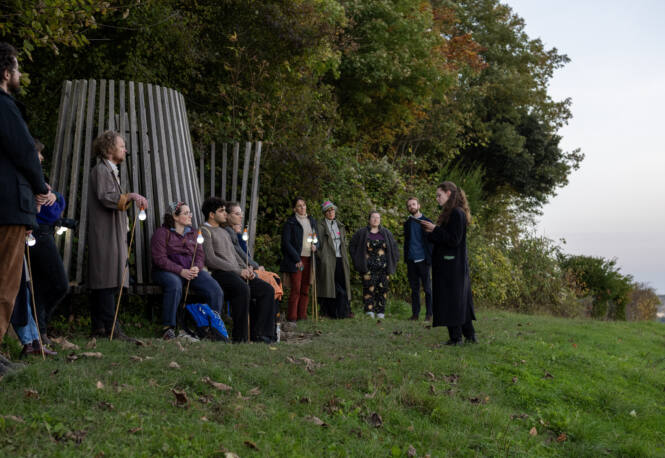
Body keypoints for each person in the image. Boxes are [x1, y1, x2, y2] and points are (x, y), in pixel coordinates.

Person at [0, 42, 50, 374]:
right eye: (17, 69)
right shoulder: (4, 106)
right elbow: (24, 152)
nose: (19, 75)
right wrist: (41, 186)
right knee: (5, 282)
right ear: (5, 73)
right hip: (7, 206)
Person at [87, 130, 147, 340]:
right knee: (107, 278)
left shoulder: (109, 170)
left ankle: (101, 328)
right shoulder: (101, 170)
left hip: (111, 230)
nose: (125, 150)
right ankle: (111, 328)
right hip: (105, 232)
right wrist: (129, 195)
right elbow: (106, 197)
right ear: (109, 149)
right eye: (122, 146)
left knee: (109, 276)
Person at [200, 197, 275, 343]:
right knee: (242, 289)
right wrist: (238, 271)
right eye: (221, 211)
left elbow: (235, 255)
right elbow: (211, 260)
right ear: (211, 214)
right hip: (219, 273)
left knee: (266, 290)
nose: (225, 214)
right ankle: (240, 337)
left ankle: (262, 335)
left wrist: (247, 268)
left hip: (235, 271)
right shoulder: (205, 231)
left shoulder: (224, 231)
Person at [151, 201, 224, 340]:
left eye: (190, 212)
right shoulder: (161, 233)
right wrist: (180, 271)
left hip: (190, 270)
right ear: (175, 216)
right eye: (186, 213)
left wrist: (197, 266)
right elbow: (159, 259)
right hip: (167, 270)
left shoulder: (194, 233)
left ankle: (213, 330)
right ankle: (168, 328)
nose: (190, 215)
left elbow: (200, 254)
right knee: (174, 285)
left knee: (215, 289)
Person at [419, 182, 477, 345]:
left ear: (449, 194)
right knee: (459, 300)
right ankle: (470, 336)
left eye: (439, 195)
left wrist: (435, 229)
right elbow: (444, 236)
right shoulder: (449, 213)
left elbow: (454, 240)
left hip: (453, 266)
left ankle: (456, 337)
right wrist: (430, 231)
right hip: (448, 265)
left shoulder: (457, 213)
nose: (437, 198)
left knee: (454, 300)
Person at [28, 141, 69, 345]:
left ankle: (39, 332)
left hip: (36, 235)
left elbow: (57, 202)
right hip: (39, 235)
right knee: (59, 284)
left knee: (39, 284)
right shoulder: (32, 179)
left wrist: (56, 196)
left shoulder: (37, 179)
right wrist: (56, 199)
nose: (42, 157)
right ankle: (39, 325)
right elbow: (52, 212)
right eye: (38, 153)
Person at [349, 211, 399, 319]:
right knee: (368, 289)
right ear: (369, 220)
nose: (376, 219)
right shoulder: (362, 233)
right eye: (373, 217)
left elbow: (394, 248)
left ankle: (380, 312)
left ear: (380, 220)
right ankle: (369, 311)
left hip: (383, 268)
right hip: (367, 268)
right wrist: (357, 260)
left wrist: (393, 261)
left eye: (378, 217)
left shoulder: (386, 233)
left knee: (383, 290)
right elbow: (352, 246)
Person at [280, 197, 318, 322]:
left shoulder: (311, 221)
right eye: (299, 206)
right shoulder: (290, 223)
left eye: (304, 205)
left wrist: (316, 245)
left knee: (305, 289)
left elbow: (317, 238)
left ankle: (302, 316)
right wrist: (296, 258)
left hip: (308, 259)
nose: (302, 208)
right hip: (297, 261)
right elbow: (286, 243)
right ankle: (292, 317)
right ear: (294, 208)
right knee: (296, 288)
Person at [316, 200, 351, 319]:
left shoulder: (340, 225)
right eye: (328, 211)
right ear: (324, 213)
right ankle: (329, 312)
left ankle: (343, 311)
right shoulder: (320, 226)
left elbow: (343, 242)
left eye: (332, 210)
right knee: (329, 286)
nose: (331, 212)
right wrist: (322, 257)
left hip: (340, 258)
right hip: (328, 260)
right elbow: (318, 243)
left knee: (342, 284)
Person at [403, 197, 433, 321]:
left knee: (427, 289)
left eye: (413, 204)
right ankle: (415, 315)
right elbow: (407, 242)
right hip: (411, 260)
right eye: (409, 205)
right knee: (414, 289)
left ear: (419, 205)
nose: (412, 207)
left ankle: (429, 314)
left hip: (424, 260)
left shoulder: (427, 221)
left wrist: (430, 258)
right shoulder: (408, 223)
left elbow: (432, 242)